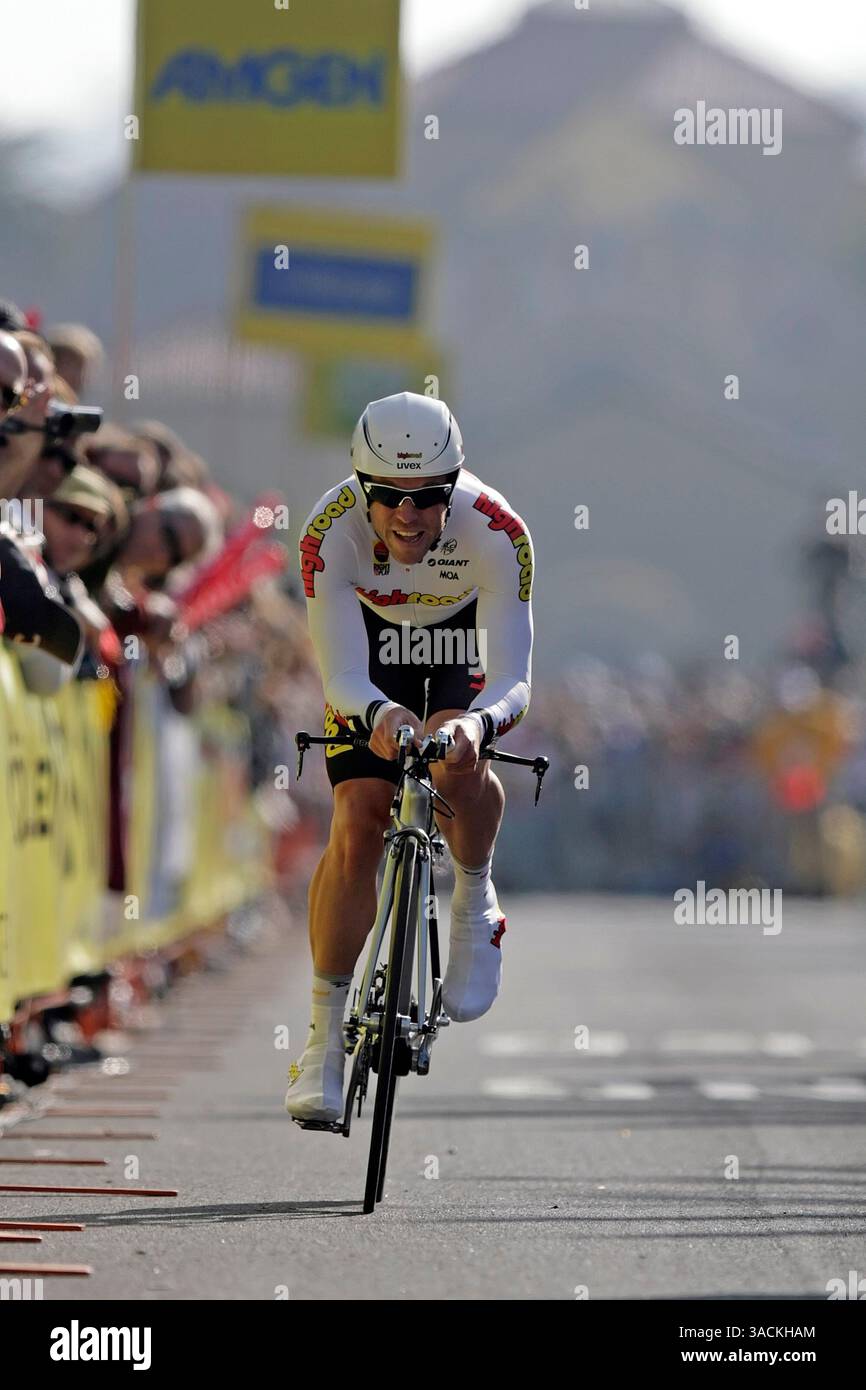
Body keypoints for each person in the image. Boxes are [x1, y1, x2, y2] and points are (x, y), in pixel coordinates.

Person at [285, 392, 534, 1123]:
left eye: (428, 496)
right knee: (359, 819)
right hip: (372, 657)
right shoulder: (328, 533)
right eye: (388, 496)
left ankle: (474, 898)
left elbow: (516, 678)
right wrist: (381, 715)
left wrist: (478, 727)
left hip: (461, 645)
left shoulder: (497, 530)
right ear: (360, 487)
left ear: (454, 487)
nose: (408, 514)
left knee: (461, 753)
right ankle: (323, 1040)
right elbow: (339, 677)